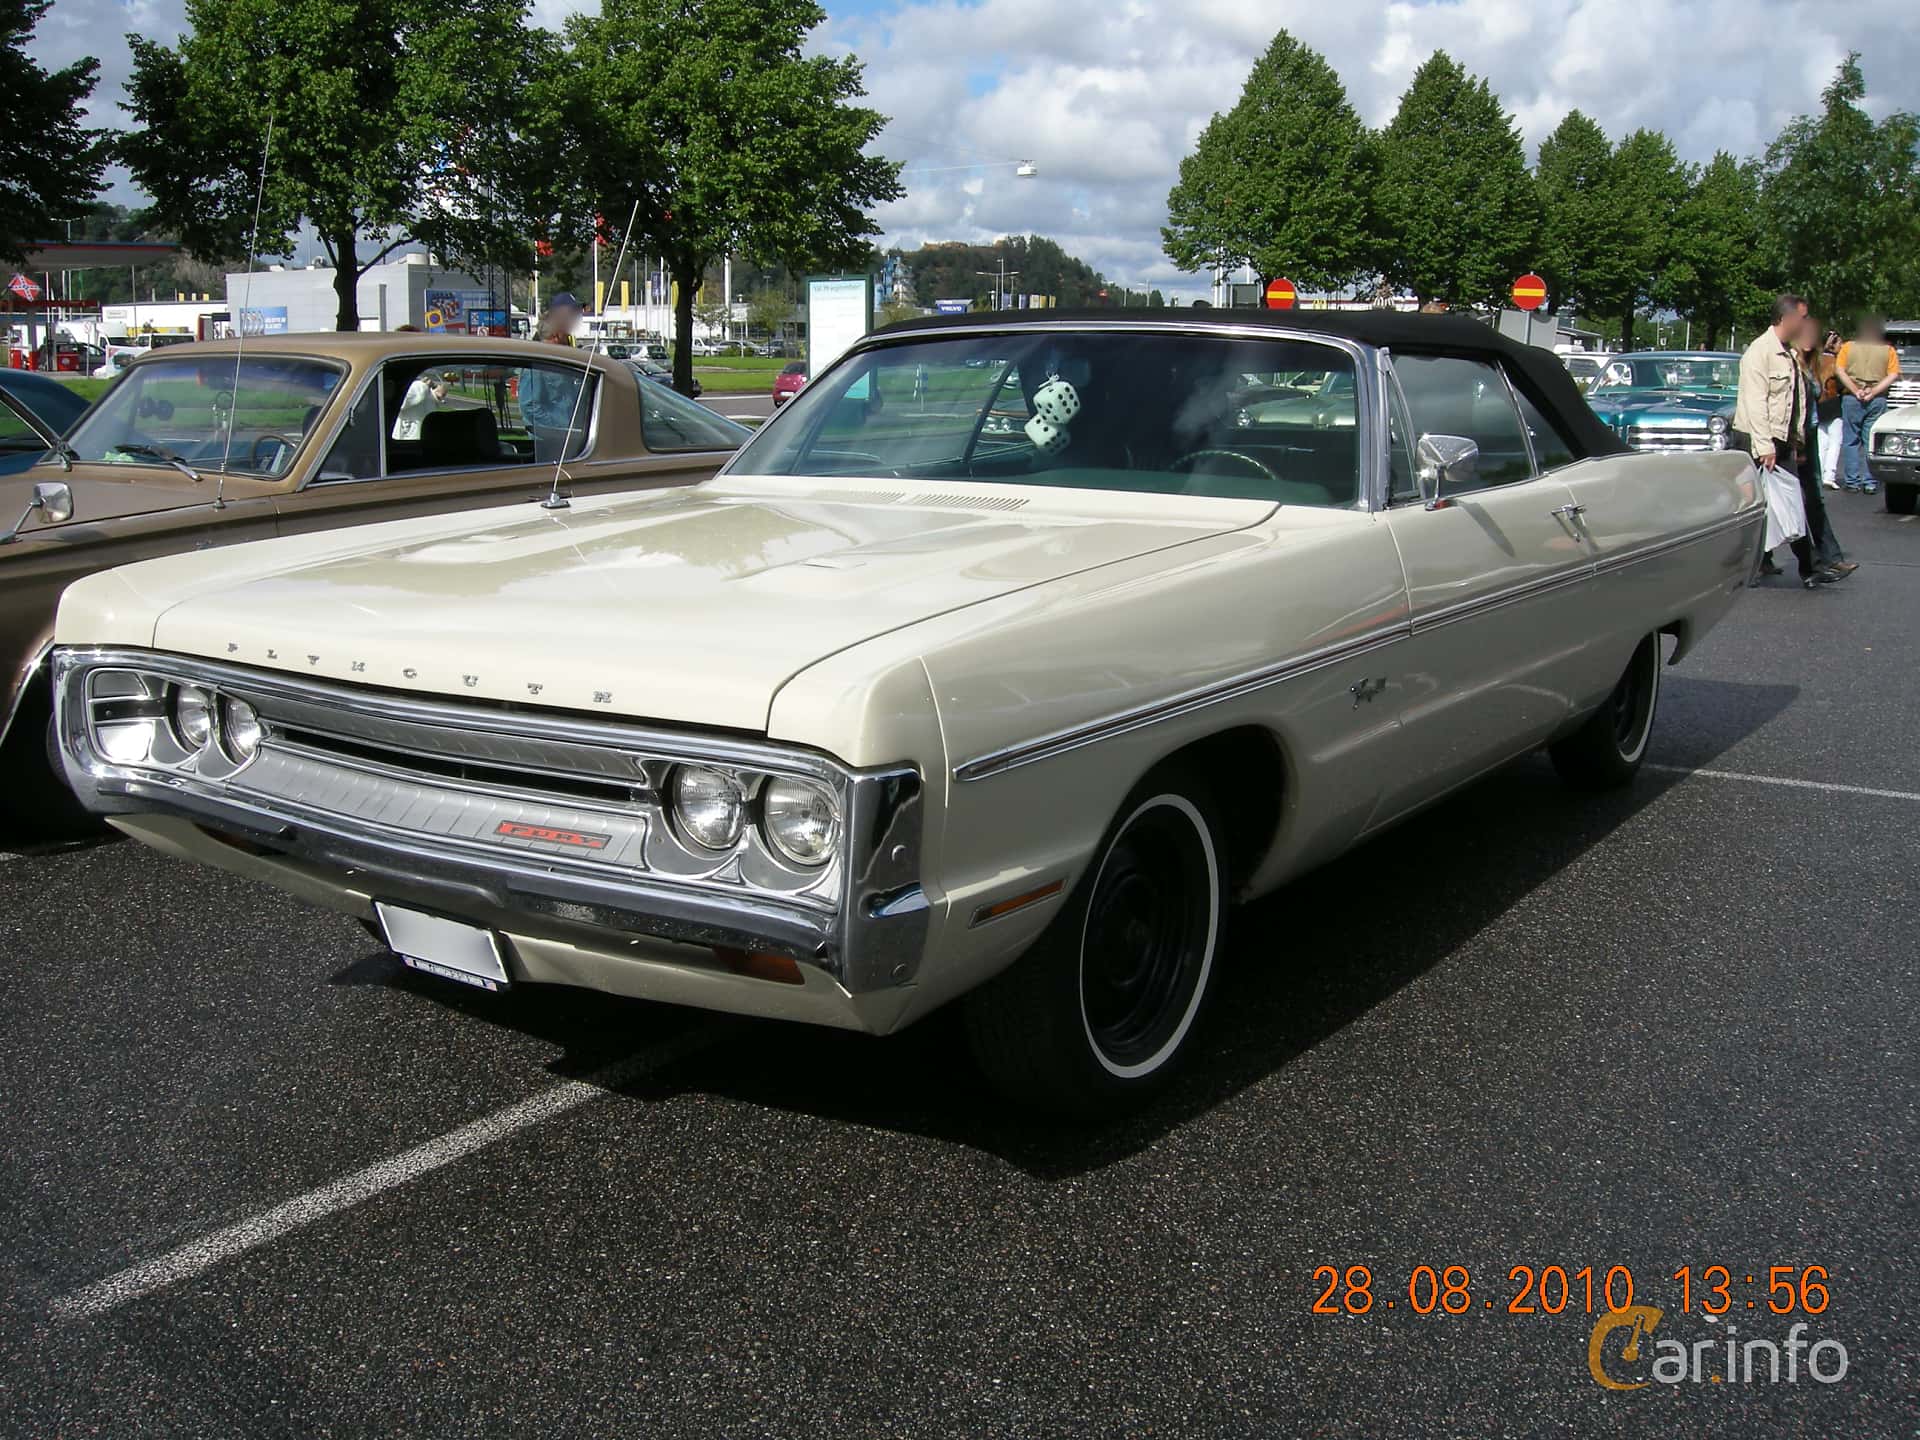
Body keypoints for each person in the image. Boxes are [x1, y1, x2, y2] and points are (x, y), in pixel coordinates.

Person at [1733, 294, 1834, 589]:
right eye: (1802, 318)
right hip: (1758, 440)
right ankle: (1809, 567)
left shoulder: (1789, 352)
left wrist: (1797, 443)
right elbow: (1755, 404)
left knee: (1783, 503)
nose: (1806, 324)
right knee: (1770, 506)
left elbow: (1796, 403)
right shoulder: (1759, 353)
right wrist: (1765, 448)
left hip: (1780, 439)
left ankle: (1792, 565)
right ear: (1787, 318)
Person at [1792, 315, 1855, 580]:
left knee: (1813, 499)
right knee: (1787, 504)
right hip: (1794, 439)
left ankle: (1830, 558)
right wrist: (1798, 446)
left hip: (1810, 433)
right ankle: (1811, 562)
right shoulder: (1788, 363)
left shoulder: (1815, 363)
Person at [520, 292, 587, 462]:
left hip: (571, 442)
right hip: (549, 445)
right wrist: (564, 427)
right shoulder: (539, 363)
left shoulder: (563, 360)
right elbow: (529, 406)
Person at [1836, 317, 1899, 494]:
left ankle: (1852, 481)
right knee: (1870, 440)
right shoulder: (1887, 350)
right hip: (1877, 398)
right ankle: (1870, 481)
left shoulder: (1847, 348)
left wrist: (1855, 390)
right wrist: (1874, 391)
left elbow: (1839, 370)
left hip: (1852, 397)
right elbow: (1893, 374)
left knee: (1850, 440)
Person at [1813, 328, 1845, 490]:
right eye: (1840, 343)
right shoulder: (1835, 363)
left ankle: (1819, 473)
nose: (1842, 346)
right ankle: (1829, 475)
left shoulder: (1816, 360)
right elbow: (1841, 383)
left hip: (1818, 403)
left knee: (1822, 440)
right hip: (1832, 402)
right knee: (1835, 440)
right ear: (1833, 345)